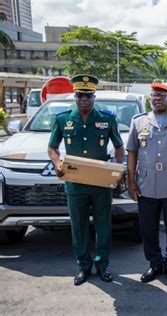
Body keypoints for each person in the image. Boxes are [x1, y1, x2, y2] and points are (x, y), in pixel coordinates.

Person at [48, 74, 124, 286]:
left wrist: (118, 169)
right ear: (75, 95)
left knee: (103, 226)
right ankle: (83, 266)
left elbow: (119, 147)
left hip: (100, 184)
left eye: (88, 95)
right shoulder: (63, 119)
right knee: (79, 227)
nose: (84, 99)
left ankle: (102, 265)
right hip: (75, 184)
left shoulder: (107, 119)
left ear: (94, 96)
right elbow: (52, 147)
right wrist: (57, 163)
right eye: (80, 95)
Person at [126, 82, 167, 283]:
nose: (157, 99)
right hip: (146, 185)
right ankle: (154, 264)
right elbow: (132, 153)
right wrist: (131, 181)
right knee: (148, 228)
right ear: (149, 98)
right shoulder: (138, 122)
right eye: (154, 95)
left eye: (162, 96)